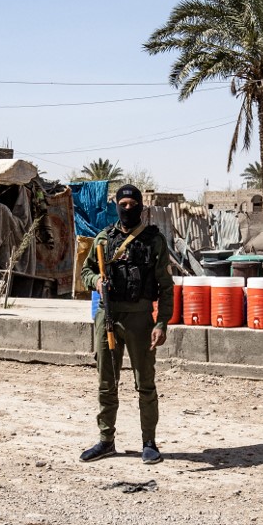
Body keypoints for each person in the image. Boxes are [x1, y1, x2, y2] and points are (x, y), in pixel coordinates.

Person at [79, 184, 173, 465]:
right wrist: (95, 281)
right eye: (124, 204)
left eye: (133, 204)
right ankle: (106, 440)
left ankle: (149, 442)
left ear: (141, 206)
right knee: (106, 383)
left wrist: (162, 323)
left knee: (144, 382)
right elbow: (86, 270)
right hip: (108, 316)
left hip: (141, 318)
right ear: (117, 206)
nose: (128, 209)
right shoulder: (104, 238)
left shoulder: (154, 240)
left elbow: (166, 286)